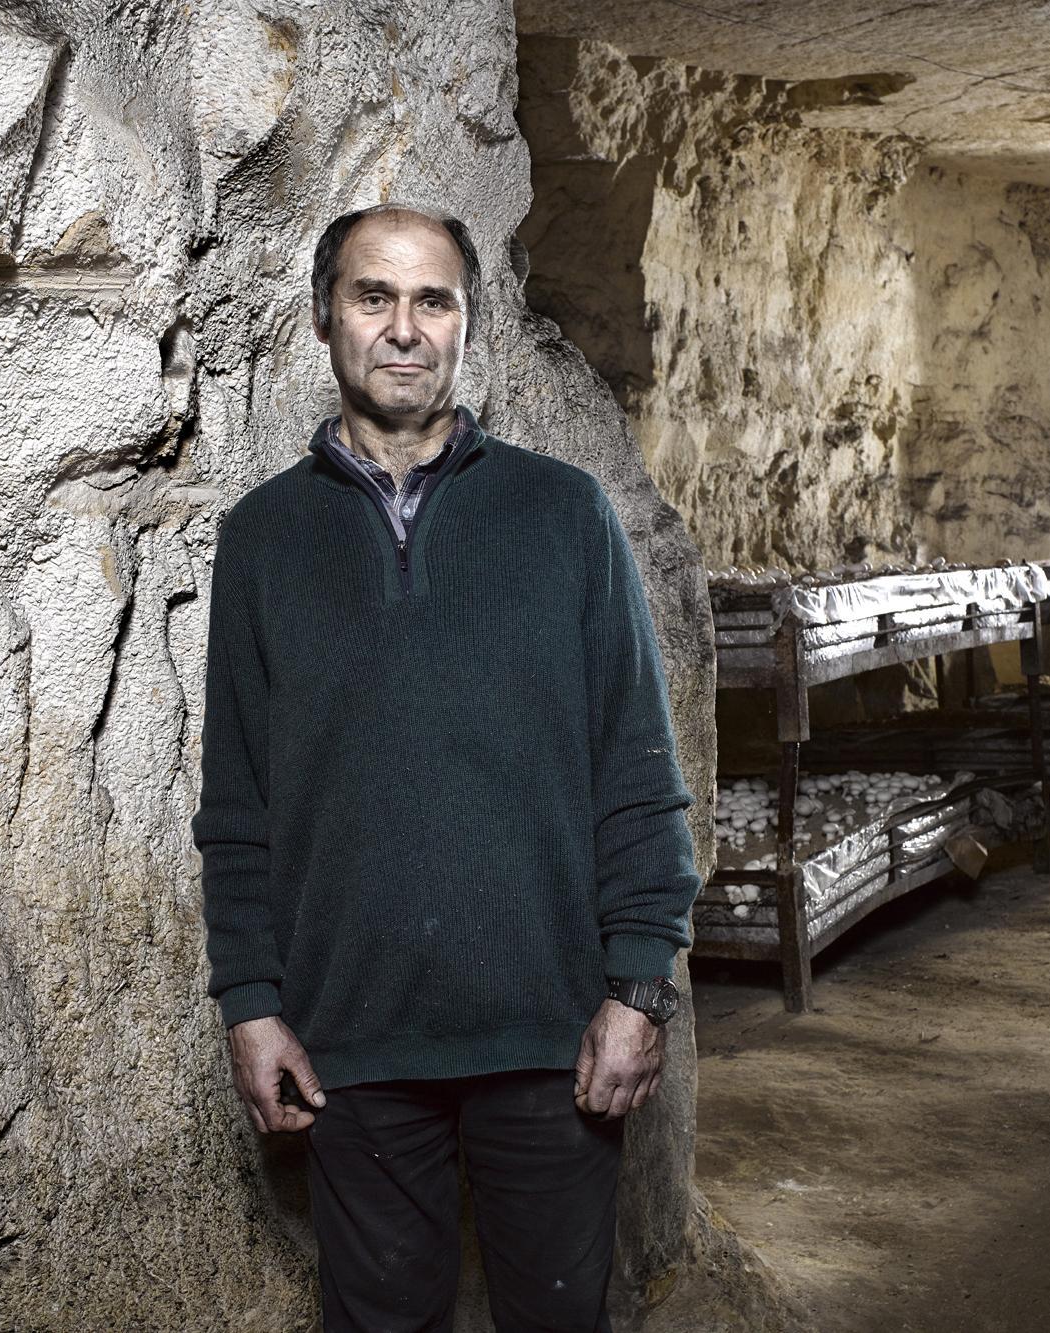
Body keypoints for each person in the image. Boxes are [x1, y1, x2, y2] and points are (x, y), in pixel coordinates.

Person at [191, 203, 700, 1332]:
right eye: (375, 297)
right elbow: (239, 805)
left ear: (472, 328)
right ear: (325, 318)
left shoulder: (564, 515)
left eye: (436, 301)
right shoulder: (262, 539)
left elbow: (637, 764)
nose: (405, 328)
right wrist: (251, 1000)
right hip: (351, 1039)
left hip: (550, 1032)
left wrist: (637, 984)